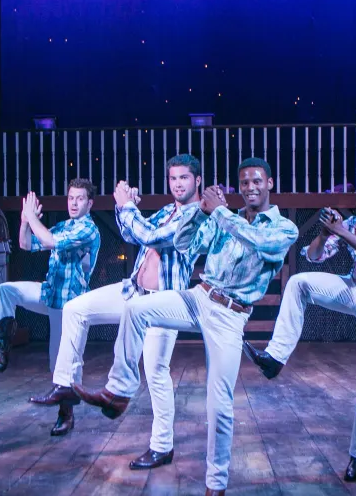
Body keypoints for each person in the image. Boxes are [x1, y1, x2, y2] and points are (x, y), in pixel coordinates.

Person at [73, 158, 298, 496]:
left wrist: (219, 212)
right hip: (199, 296)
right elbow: (185, 244)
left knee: (219, 405)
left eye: (257, 181)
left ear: (269, 184)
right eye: (245, 182)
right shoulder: (224, 217)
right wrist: (200, 214)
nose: (250, 187)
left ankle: (215, 485)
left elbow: (259, 243)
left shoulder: (283, 228)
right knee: (136, 308)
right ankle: (119, 391)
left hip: (230, 315)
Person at [27, 154, 200, 471]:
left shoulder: (196, 217)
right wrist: (124, 210)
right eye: (173, 178)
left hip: (163, 304)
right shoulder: (167, 211)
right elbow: (132, 234)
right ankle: (66, 384)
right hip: (133, 292)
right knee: (75, 309)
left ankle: (162, 447)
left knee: (156, 373)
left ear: (197, 181)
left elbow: (151, 237)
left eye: (184, 178)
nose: (177, 184)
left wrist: (127, 206)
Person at [242, 181, 356, 481]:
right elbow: (313, 257)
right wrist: (325, 233)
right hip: (354, 289)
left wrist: (342, 232)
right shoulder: (351, 224)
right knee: (299, 282)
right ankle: (274, 359)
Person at [0, 178, 101, 375]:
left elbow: (49, 241)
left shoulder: (88, 229)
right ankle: (0, 350)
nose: (73, 203)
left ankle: (68, 394)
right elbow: (26, 244)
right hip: (50, 294)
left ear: (89, 203)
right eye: (70, 198)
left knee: (60, 368)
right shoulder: (64, 225)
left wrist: (32, 217)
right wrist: (25, 222)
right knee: (6, 290)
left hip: (69, 305)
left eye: (79, 199)